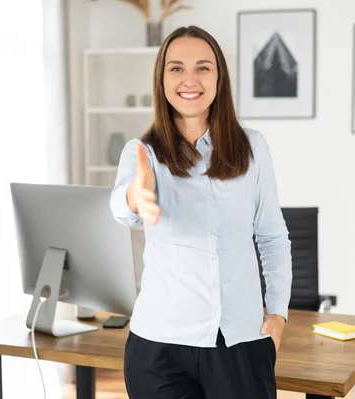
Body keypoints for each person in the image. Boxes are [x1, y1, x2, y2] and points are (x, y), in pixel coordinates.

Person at [109, 25, 292, 399]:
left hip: (240, 340)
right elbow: (121, 207)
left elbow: (272, 236)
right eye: (176, 68)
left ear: (219, 76)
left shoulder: (253, 148)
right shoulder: (142, 153)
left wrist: (278, 313)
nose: (189, 79)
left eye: (202, 67)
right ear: (161, 79)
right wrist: (134, 196)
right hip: (159, 347)